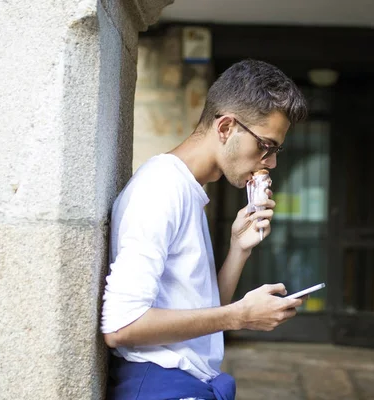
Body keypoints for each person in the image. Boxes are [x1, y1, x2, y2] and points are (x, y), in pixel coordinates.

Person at [101, 59, 308, 400]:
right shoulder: (162, 187)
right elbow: (121, 326)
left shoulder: (187, 188)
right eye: (265, 145)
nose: (271, 162)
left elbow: (203, 315)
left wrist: (239, 248)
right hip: (160, 385)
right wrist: (240, 315)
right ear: (225, 127)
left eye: (276, 149)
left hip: (186, 381)